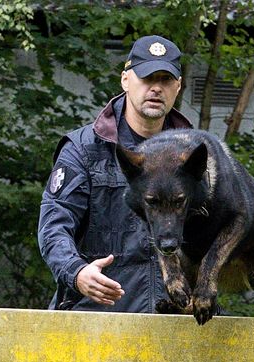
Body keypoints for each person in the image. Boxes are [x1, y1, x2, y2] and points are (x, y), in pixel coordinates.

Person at [37, 35, 193, 312]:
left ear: (178, 87)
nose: (156, 88)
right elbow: (54, 226)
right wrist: (77, 272)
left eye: (166, 80)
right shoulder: (84, 149)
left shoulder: (193, 155)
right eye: (147, 78)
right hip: (95, 315)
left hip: (175, 321)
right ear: (125, 80)